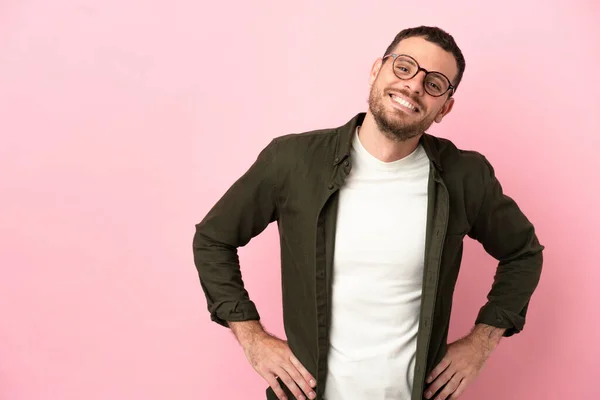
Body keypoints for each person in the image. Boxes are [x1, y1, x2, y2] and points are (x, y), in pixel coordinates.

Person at [192, 26, 544, 400]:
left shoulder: (465, 177)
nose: (413, 87)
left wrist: (481, 343)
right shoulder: (292, 161)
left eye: (435, 83)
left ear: (445, 107)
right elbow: (213, 238)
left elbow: (523, 253)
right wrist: (252, 339)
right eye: (405, 67)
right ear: (377, 69)